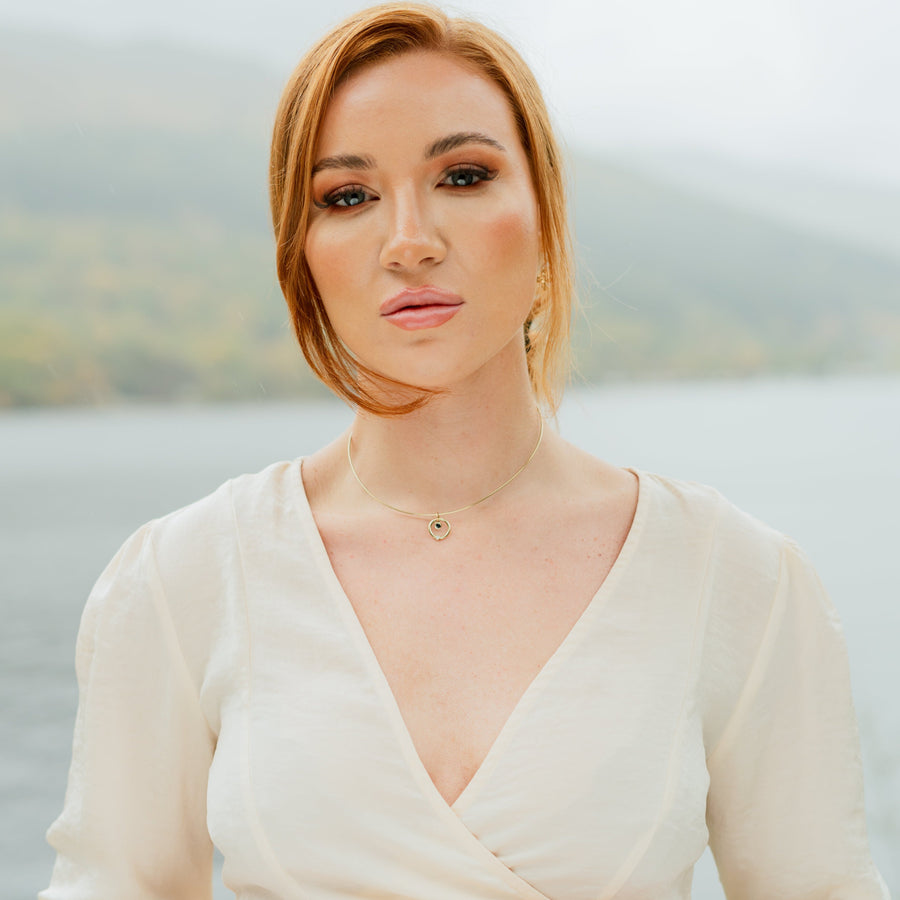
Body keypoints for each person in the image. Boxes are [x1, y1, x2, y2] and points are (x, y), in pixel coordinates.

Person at [42, 3, 890, 899]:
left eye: (463, 175)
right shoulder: (182, 579)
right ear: (303, 256)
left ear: (543, 217)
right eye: (348, 196)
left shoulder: (736, 578)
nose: (409, 242)